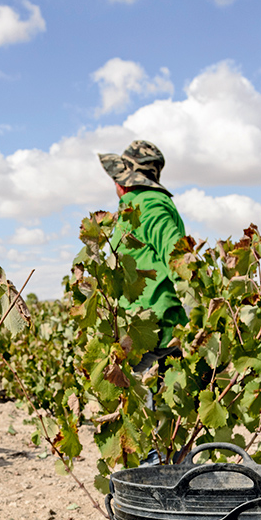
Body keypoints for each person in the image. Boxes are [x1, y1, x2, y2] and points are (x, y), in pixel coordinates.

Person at [98, 140, 188, 375]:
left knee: (117, 388)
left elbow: (178, 256)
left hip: (151, 326)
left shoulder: (147, 204)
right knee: (166, 401)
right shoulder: (136, 205)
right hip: (155, 323)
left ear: (123, 181)